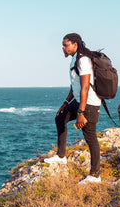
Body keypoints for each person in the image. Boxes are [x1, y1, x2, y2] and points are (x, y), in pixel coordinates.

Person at [44, 33, 102, 184]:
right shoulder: (74, 59)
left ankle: (95, 176)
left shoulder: (83, 60)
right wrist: (65, 103)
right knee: (60, 118)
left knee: (90, 137)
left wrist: (81, 113)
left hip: (89, 103)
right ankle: (61, 157)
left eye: (66, 45)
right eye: (63, 45)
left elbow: (85, 87)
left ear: (75, 44)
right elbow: (74, 85)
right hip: (78, 100)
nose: (63, 48)